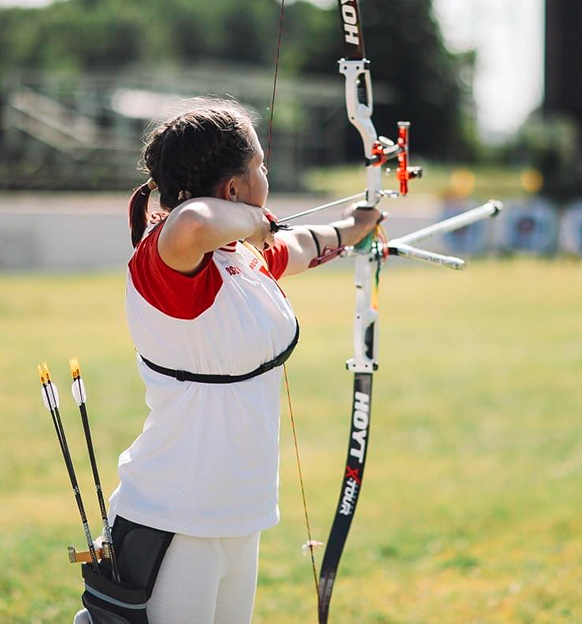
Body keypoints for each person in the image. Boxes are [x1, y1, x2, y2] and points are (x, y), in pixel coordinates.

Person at [83, 99, 381, 624]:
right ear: (234, 188)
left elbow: (300, 244)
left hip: (238, 513)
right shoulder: (167, 260)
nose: (268, 175)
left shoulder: (238, 257)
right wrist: (255, 222)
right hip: (174, 518)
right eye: (260, 166)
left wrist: (356, 227)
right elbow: (194, 222)